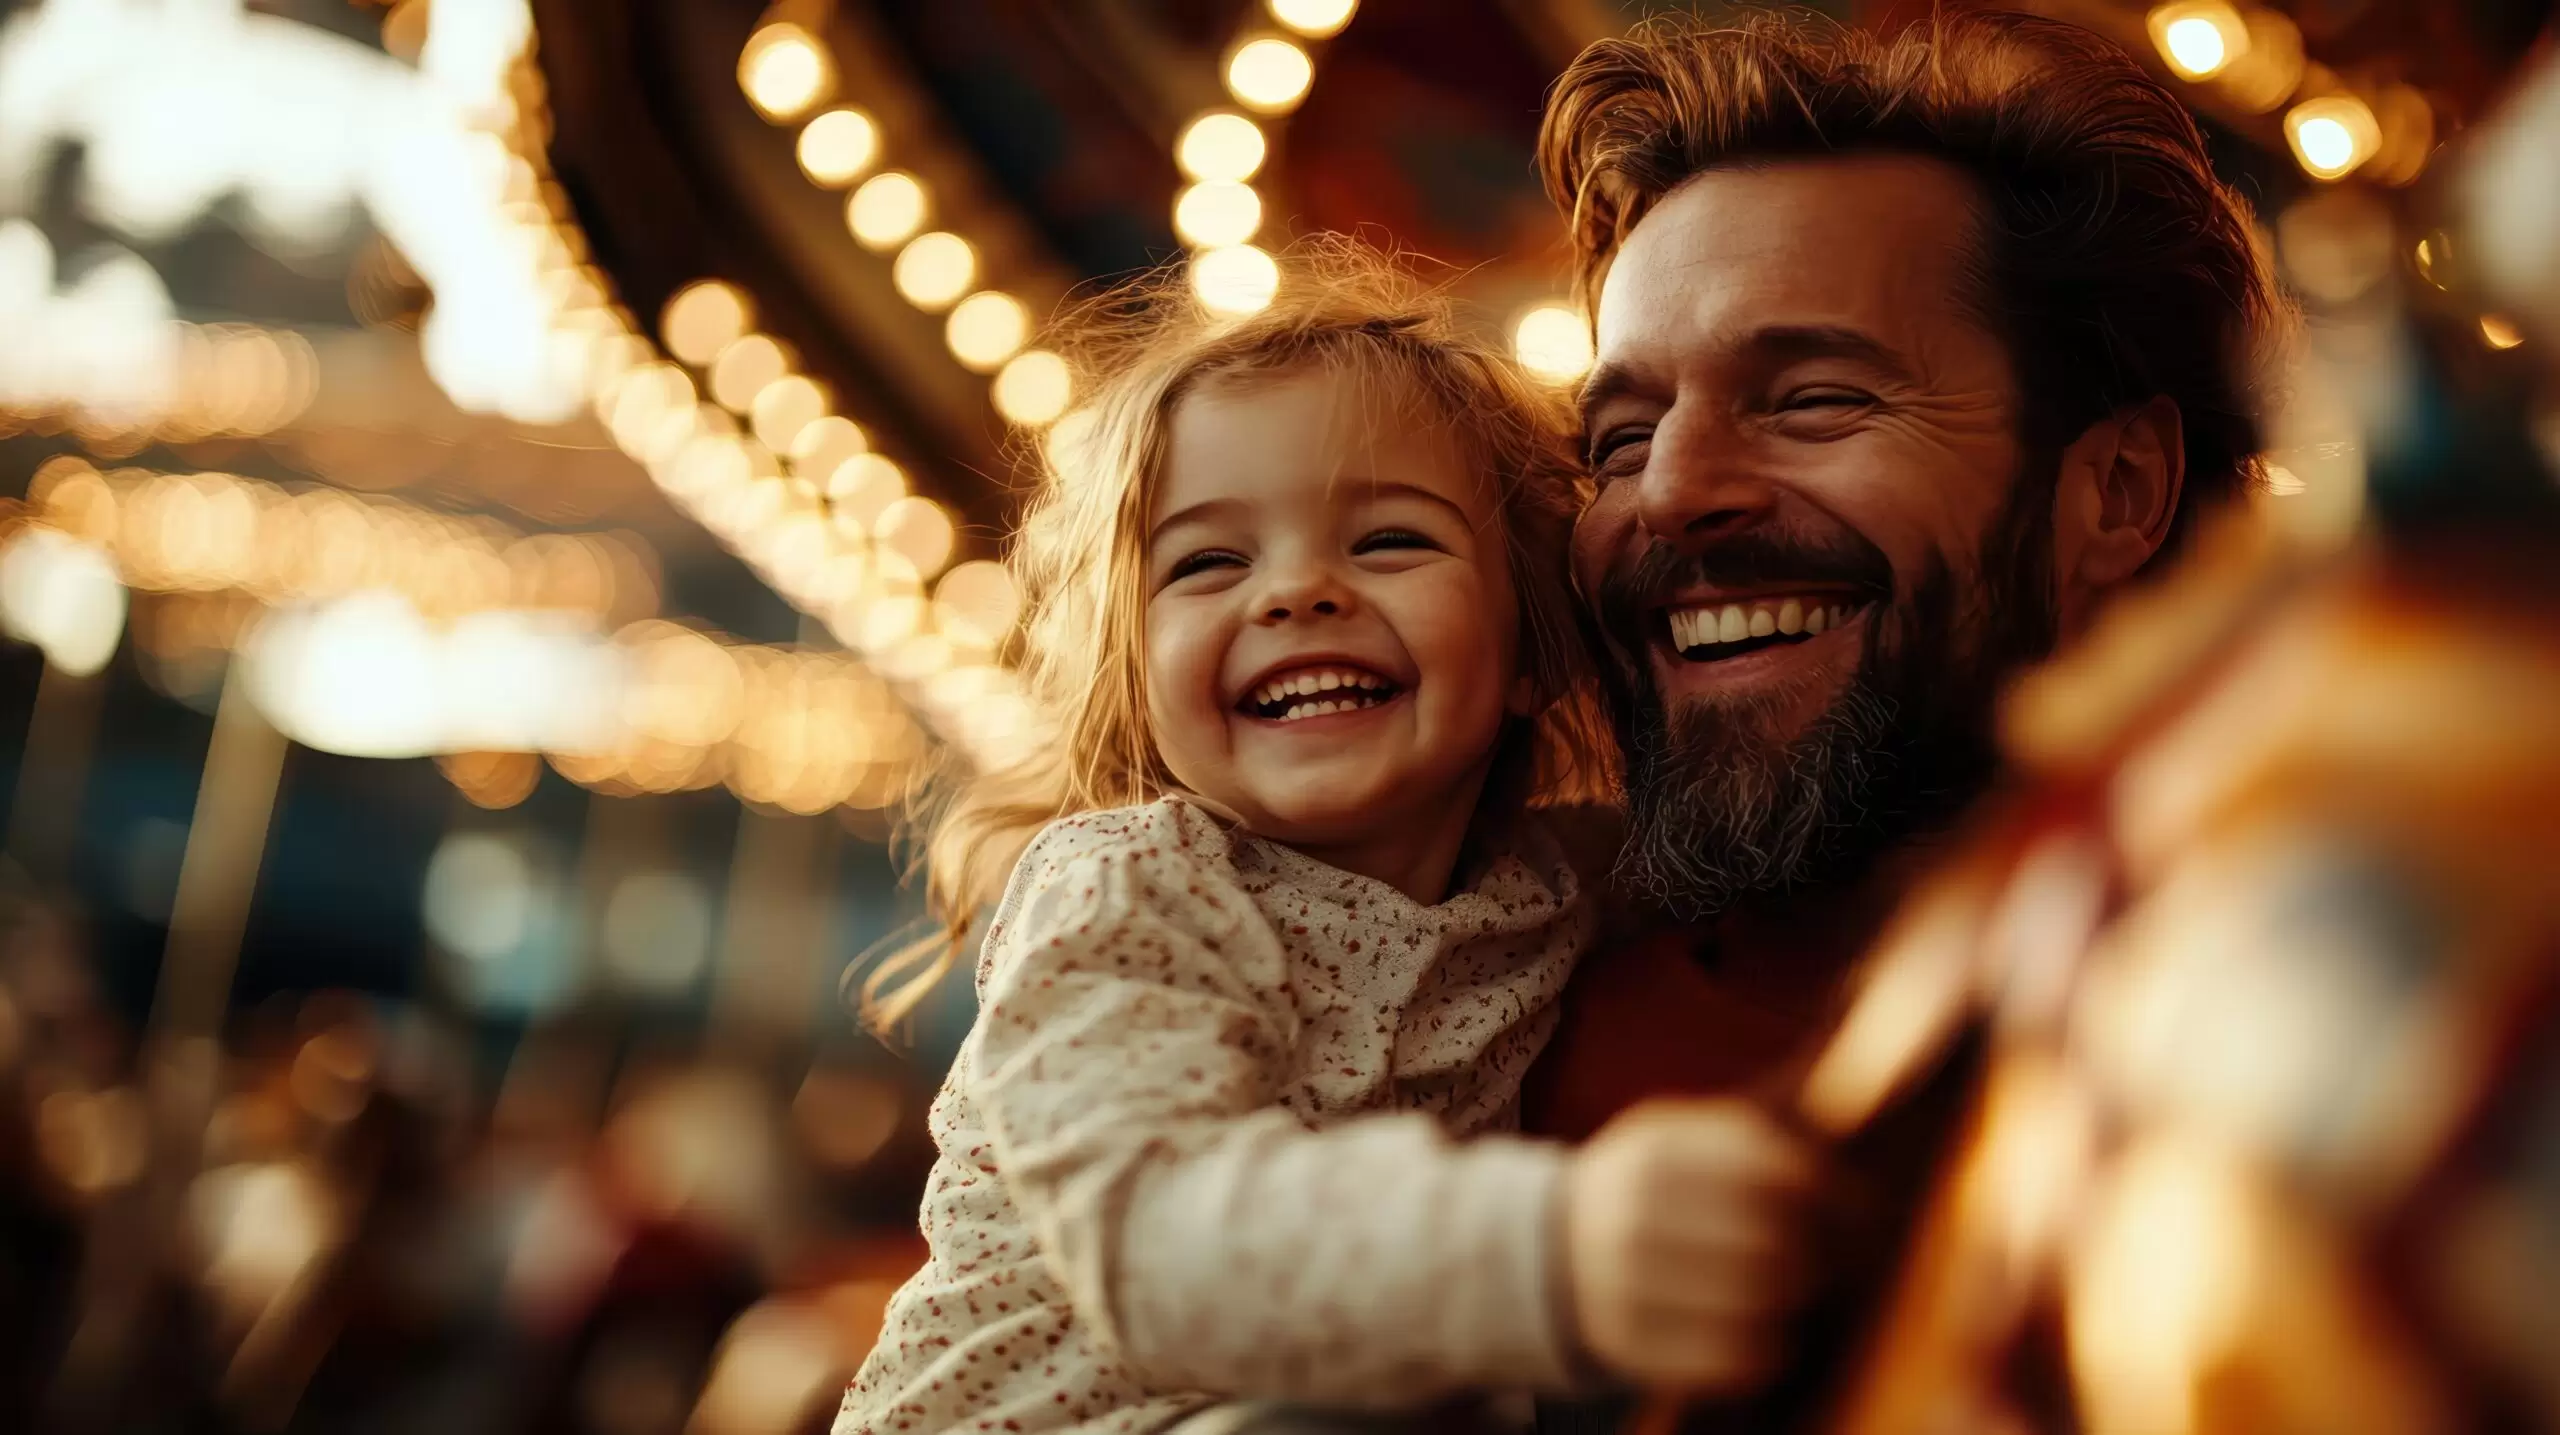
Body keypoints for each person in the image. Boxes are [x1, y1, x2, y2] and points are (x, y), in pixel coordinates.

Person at [833, 245, 1825, 1435]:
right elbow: (1155, 1232)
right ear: (1133, 674)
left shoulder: (1562, 882)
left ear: (1528, 647)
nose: (1295, 594)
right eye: (1208, 561)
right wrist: (1548, 1250)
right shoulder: (1128, 889)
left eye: (1389, 541)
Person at [1514, 8, 2284, 1429]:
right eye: (1619, 438)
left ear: (2116, 488)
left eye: (1812, 399)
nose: (1673, 492)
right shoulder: (1468, 1034)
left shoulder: (2339, 993)